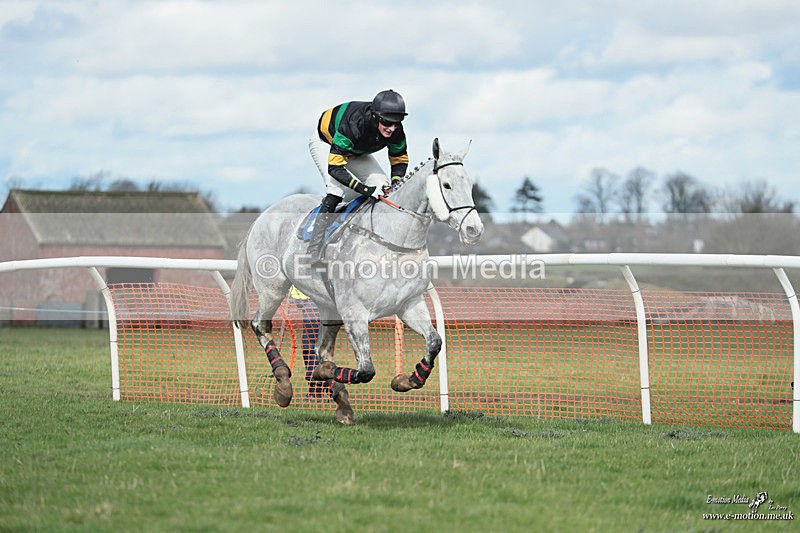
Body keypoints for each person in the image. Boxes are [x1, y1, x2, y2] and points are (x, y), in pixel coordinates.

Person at [307, 89, 410, 264]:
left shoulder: (395, 129)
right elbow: (335, 168)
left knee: (384, 187)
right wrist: (366, 190)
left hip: (355, 150)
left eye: (396, 123)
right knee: (337, 190)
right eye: (387, 122)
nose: (392, 128)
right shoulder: (354, 123)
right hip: (327, 143)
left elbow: (399, 159)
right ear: (376, 116)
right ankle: (313, 250)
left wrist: (395, 183)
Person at [288, 285, 326, 399]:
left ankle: (318, 387)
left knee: (312, 346)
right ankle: (321, 386)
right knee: (311, 346)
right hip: (306, 298)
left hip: (314, 299)